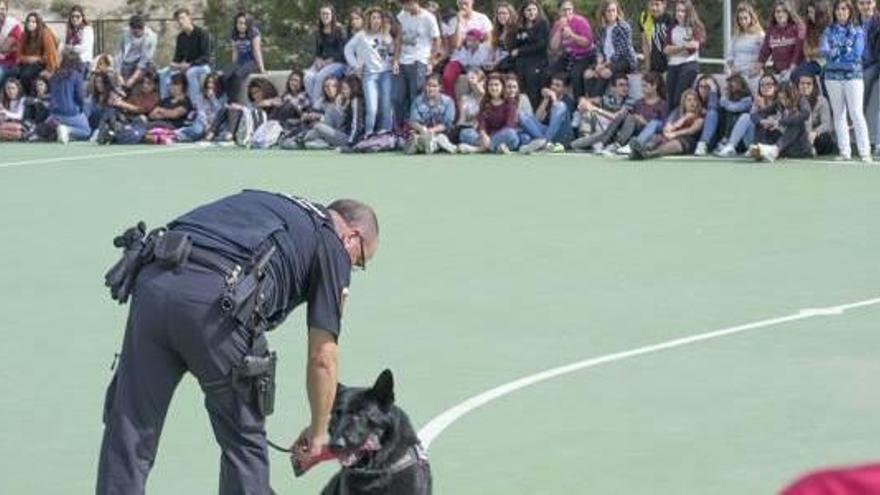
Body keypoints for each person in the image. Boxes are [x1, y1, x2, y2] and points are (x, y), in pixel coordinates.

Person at [96, 190, 379, 495]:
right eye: (359, 262)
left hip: (153, 280)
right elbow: (323, 356)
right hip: (216, 306)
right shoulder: (332, 245)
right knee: (243, 442)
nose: (352, 269)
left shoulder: (270, 201)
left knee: (130, 427)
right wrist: (320, 431)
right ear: (352, 237)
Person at [821, 0, 871, 161]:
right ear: (834, 12)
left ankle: (865, 151)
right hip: (832, 78)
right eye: (838, 9)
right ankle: (845, 151)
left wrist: (836, 54)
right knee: (839, 114)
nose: (841, 12)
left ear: (850, 11)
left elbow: (856, 54)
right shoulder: (828, 31)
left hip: (853, 77)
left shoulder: (857, 31)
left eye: (844, 9)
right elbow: (824, 51)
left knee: (856, 113)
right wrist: (841, 52)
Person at [393, 0, 442, 131]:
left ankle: (415, 128)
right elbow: (398, 38)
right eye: (403, 5)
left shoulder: (428, 17)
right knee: (398, 97)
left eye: (407, 4)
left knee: (416, 96)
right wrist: (395, 60)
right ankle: (399, 127)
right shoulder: (402, 15)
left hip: (419, 60)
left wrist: (431, 61)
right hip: (403, 60)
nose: (405, 7)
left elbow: (437, 40)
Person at [345, 7, 394, 136]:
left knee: (386, 106)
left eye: (379, 18)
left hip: (386, 73)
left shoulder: (386, 35)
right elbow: (348, 50)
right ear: (369, 20)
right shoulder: (361, 35)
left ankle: (385, 134)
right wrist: (356, 65)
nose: (376, 20)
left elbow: (391, 53)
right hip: (370, 75)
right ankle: (368, 134)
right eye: (374, 18)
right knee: (372, 108)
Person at [716, 73, 781, 156]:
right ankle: (731, 146)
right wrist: (759, 110)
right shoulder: (757, 101)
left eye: (768, 84)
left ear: (775, 86)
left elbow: (777, 122)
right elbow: (752, 118)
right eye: (762, 84)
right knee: (746, 117)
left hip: (771, 142)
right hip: (756, 139)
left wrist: (764, 110)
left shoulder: (780, 102)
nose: (765, 87)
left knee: (747, 116)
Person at [747, 81, 814, 161]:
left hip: (800, 146)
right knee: (762, 124)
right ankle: (758, 147)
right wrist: (763, 121)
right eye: (781, 98)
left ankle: (774, 149)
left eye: (785, 98)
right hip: (784, 146)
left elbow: (805, 114)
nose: (783, 101)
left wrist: (779, 122)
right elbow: (755, 115)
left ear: (792, 95)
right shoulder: (779, 103)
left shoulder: (801, 101)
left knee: (797, 122)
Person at [629, 88, 704, 159]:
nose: (692, 102)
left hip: (687, 141)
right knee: (657, 137)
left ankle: (649, 154)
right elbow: (669, 127)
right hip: (671, 136)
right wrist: (683, 118)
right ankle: (642, 149)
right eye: (689, 100)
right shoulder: (677, 113)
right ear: (684, 103)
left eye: (695, 100)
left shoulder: (700, 116)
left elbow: (691, 130)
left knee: (675, 143)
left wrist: (675, 134)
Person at [584, 0, 637, 98]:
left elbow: (621, 51)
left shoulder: (623, 27)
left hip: (624, 60)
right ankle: (592, 100)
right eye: (608, 11)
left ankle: (594, 101)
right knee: (588, 74)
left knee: (605, 73)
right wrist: (599, 63)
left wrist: (603, 65)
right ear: (604, 13)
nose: (611, 13)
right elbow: (599, 48)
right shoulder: (602, 29)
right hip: (606, 62)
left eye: (613, 10)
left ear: (617, 12)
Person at [160, 8, 211, 108]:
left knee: (190, 72)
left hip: (202, 66)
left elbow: (206, 57)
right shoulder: (180, 37)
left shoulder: (202, 33)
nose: (180, 21)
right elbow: (178, 58)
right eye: (178, 19)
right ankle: (164, 102)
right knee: (163, 73)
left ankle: (195, 105)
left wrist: (190, 65)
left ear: (189, 18)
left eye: (182, 18)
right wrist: (173, 64)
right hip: (186, 66)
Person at [458, 73, 519, 153]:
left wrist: (492, 137)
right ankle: (495, 147)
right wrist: (484, 135)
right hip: (486, 137)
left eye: (496, 85)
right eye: (491, 85)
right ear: (487, 87)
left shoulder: (510, 102)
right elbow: (481, 122)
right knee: (465, 133)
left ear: (502, 86)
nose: (493, 88)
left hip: (503, 135)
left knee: (511, 134)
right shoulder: (485, 102)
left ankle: (479, 149)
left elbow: (509, 124)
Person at [664, 0, 705, 114]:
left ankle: (677, 124)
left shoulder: (695, 28)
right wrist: (683, 46)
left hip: (689, 65)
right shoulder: (672, 28)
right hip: (673, 65)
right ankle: (668, 124)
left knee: (679, 98)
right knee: (670, 100)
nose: (680, 14)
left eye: (683, 11)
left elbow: (692, 48)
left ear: (689, 12)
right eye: (678, 10)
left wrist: (676, 48)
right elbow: (666, 50)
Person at [549, 0, 596, 99]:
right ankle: (552, 99)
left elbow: (587, 43)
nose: (567, 13)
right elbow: (553, 47)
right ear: (559, 12)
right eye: (564, 10)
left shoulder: (580, 21)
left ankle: (578, 103)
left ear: (573, 10)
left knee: (575, 75)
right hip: (570, 55)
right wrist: (559, 30)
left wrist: (572, 35)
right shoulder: (558, 24)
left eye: (569, 9)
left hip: (586, 55)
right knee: (550, 71)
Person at [518, 73, 575, 153]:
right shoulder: (549, 99)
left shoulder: (567, 101)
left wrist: (554, 99)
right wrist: (546, 99)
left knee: (559, 106)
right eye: (552, 84)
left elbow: (561, 121)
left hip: (563, 135)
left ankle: (544, 142)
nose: (553, 87)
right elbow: (537, 119)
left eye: (557, 85)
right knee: (522, 115)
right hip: (547, 133)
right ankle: (545, 143)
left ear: (564, 89)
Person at [304, 5, 348, 104]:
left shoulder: (339, 30)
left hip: (339, 63)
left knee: (320, 77)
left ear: (332, 15)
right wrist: (318, 60)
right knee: (308, 77)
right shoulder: (319, 31)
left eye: (327, 14)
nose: (325, 16)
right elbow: (318, 51)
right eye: (322, 14)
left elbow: (343, 52)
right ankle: (317, 103)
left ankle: (315, 108)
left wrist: (329, 61)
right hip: (323, 62)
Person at [510, 1, 549, 107]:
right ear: (523, 12)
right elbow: (513, 44)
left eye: (534, 9)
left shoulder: (542, 24)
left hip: (537, 60)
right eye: (528, 10)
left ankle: (534, 112)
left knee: (532, 81)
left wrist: (520, 51)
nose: (531, 12)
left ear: (537, 11)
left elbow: (541, 45)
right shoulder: (519, 26)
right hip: (521, 61)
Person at [405, 74, 457, 153]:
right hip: (422, 133)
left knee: (441, 137)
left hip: (441, 133)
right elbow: (413, 121)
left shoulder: (448, 102)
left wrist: (431, 131)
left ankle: (435, 144)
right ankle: (423, 144)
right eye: (428, 86)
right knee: (415, 137)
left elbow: (447, 124)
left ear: (440, 87)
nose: (431, 89)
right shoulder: (417, 101)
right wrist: (422, 129)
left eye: (434, 86)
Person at [222, 13, 266, 104]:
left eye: (244, 23)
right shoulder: (234, 33)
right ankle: (225, 99)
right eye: (240, 23)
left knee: (237, 76)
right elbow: (235, 51)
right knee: (225, 76)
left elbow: (257, 51)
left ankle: (233, 102)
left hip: (251, 62)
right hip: (240, 62)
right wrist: (233, 66)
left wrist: (262, 69)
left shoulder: (254, 32)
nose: (242, 26)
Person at [48, 49, 89, 143]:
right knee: (86, 131)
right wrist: (81, 109)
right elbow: (80, 97)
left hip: (54, 112)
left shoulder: (55, 75)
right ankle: (68, 130)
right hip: (69, 112)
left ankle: (63, 132)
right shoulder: (76, 75)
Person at [758, 0, 805, 80]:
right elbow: (765, 50)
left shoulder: (797, 28)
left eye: (784, 11)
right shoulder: (771, 30)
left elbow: (798, 51)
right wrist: (759, 64)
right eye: (777, 11)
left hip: (795, 70)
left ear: (789, 13)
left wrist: (791, 68)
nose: (780, 14)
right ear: (774, 14)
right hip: (777, 70)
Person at [15, 12, 58, 96]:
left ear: (38, 23)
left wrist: (49, 69)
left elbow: (51, 54)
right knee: (15, 73)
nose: (30, 24)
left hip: (43, 64)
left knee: (27, 75)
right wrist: (28, 59)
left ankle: (29, 97)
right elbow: (19, 55)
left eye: (34, 22)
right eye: (29, 21)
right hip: (27, 63)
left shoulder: (45, 33)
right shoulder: (24, 35)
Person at [726, 2, 765, 92]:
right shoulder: (736, 36)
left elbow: (765, 55)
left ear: (751, 18)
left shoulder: (760, 35)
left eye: (745, 18)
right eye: (740, 19)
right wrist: (732, 68)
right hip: (737, 76)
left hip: (753, 76)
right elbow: (730, 56)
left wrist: (758, 67)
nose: (743, 21)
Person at [115, 15, 157, 89]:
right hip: (126, 63)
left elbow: (144, 60)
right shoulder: (125, 33)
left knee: (150, 67)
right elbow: (119, 54)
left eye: (139, 29)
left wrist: (133, 78)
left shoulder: (150, 37)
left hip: (141, 64)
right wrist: (118, 75)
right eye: (133, 29)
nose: (136, 32)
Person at [796, 73, 835, 155]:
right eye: (802, 83)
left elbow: (827, 124)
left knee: (824, 139)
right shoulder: (793, 99)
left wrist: (815, 132)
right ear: (798, 85)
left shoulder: (821, 101)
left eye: (808, 84)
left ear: (814, 86)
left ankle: (809, 150)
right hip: (798, 134)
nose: (805, 86)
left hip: (815, 135)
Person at [57, 5, 93, 71]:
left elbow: (83, 48)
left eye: (77, 16)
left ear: (82, 17)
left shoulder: (87, 30)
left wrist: (70, 48)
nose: (74, 19)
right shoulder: (68, 30)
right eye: (72, 16)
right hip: (68, 61)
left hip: (82, 62)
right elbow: (61, 46)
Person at [640, 0, 672, 73]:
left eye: (657, 5)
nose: (654, 8)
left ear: (664, 4)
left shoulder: (670, 19)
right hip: (654, 65)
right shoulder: (644, 17)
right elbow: (645, 45)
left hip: (668, 66)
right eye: (651, 4)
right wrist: (647, 68)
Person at [0, 1, 23, 86]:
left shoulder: (13, 25)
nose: (0, 11)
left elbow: (4, 49)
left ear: (6, 10)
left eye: (2, 9)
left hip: (9, 63)